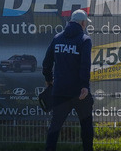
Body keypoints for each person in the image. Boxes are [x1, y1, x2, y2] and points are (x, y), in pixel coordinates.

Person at [42, 9, 93, 151]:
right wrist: (84, 86)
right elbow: (85, 65)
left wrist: (48, 79)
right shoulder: (85, 40)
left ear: (70, 21)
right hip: (79, 92)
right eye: (85, 24)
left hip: (60, 91)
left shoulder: (57, 38)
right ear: (83, 23)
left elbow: (47, 62)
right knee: (86, 125)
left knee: (55, 126)